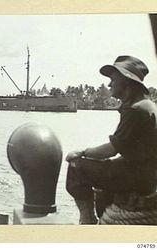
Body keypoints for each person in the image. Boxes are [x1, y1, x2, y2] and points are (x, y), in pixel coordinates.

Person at [65, 55, 157, 224]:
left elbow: (112, 149)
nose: (109, 84)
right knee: (104, 172)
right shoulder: (146, 105)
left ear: (127, 82)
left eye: (113, 80)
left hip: (139, 178)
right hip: (147, 176)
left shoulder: (136, 110)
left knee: (76, 167)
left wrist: (82, 152)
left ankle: (87, 220)